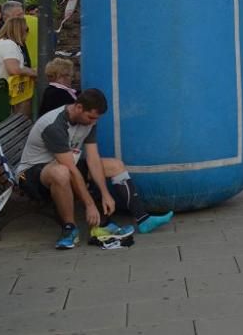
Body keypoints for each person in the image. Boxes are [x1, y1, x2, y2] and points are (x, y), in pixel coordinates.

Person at [15, 89, 174, 249]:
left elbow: (93, 159)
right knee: (61, 172)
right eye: (91, 117)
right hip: (31, 173)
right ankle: (69, 229)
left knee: (115, 165)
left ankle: (143, 218)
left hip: (63, 164)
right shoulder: (54, 125)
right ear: (78, 107)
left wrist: (105, 194)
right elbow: (70, 169)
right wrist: (90, 205)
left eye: (96, 119)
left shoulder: (89, 121)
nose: (93, 122)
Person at [0, 17, 37, 115]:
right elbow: (14, 69)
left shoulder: (6, 43)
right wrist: (34, 72)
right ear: (19, 30)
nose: (28, 33)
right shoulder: (9, 44)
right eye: (26, 30)